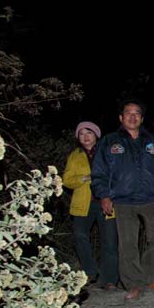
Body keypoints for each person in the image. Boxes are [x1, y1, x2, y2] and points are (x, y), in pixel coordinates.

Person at [90, 100, 154, 301]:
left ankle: (152, 277)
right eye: (128, 113)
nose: (133, 116)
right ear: (121, 117)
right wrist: (104, 195)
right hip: (122, 200)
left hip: (151, 198)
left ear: (142, 118)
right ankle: (133, 283)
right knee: (127, 243)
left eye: (137, 113)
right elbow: (99, 171)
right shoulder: (109, 142)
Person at [62, 121, 119, 290]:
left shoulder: (108, 151)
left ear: (96, 135)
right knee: (80, 236)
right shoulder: (75, 155)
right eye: (81, 134)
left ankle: (109, 280)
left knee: (109, 240)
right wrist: (84, 178)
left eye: (89, 133)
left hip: (106, 201)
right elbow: (67, 180)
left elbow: (118, 174)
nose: (85, 137)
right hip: (83, 203)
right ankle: (89, 272)